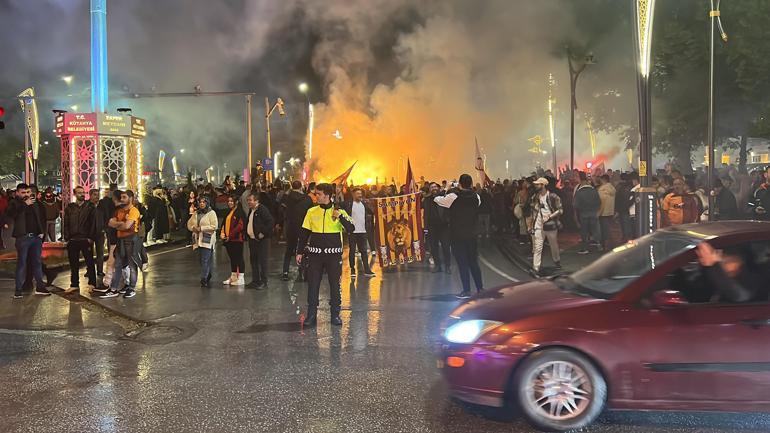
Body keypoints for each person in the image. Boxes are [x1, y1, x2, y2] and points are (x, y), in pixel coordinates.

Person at [296, 183, 355, 327]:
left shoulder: (339, 210)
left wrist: (340, 217)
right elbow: (304, 233)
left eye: (319, 194)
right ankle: (311, 315)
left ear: (327, 196)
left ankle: (335, 314)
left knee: (335, 285)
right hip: (315, 255)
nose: (316, 196)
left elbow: (351, 228)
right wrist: (299, 251)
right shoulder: (311, 211)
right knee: (313, 285)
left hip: (333, 256)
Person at [435, 173, 483, 299]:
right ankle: (480, 288)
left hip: (457, 235)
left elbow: (438, 200)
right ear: (471, 184)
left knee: (462, 263)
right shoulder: (476, 197)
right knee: (473, 262)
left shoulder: (453, 196)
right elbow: (477, 204)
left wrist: (447, 189)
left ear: (460, 184)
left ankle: (466, 290)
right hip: (472, 234)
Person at [6, 184, 48, 298]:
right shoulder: (15, 203)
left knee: (37, 262)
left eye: (28, 192)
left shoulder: (35, 203)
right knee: (22, 263)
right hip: (23, 238)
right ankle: (18, 290)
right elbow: (11, 214)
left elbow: (40, 218)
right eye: (23, 192)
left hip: (36, 238)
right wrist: (24, 204)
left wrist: (42, 232)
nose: (26, 195)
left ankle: (40, 287)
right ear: (18, 193)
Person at [99, 190, 141, 299]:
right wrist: (120, 224)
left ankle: (131, 288)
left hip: (131, 240)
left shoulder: (134, 211)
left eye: (124, 197)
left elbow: (126, 226)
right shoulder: (119, 211)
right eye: (121, 197)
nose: (121, 199)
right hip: (120, 240)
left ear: (130, 198)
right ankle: (114, 289)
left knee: (132, 265)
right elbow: (110, 223)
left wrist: (118, 225)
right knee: (118, 265)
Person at [695, 242, 767, 303]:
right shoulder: (716, 276)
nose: (724, 266)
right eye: (722, 262)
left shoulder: (753, 279)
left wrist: (713, 264)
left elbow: (739, 295)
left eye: (730, 261)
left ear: (741, 262)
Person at [62, 186, 97, 293]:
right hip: (73, 239)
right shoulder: (70, 208)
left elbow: (93, 223)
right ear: (74, 194)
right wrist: (67, 237)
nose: (82, 194)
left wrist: (90, 238)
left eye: (83, 192)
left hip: (85, 238)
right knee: (73, 263)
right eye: (79, 192)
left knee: (90, 262)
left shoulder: (90, 207)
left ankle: (92, 283)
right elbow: (66, 223)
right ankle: (74, 284)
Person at [528, 178, 562, 276]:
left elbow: (560, 210)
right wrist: (531, 225)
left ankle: (557, 261)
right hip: (539, 225)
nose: (536, 186)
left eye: (538, 184)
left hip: (550, 225)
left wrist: (550, 216)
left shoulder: (552, 196)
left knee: (553, 245)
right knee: (538, 247)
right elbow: (533, 211)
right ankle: (536, 268)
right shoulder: (535, 197)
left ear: (543, 185)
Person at [280, 181, 312, 281]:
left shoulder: (286, 198)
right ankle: (303, 271)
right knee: (303, 248)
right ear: (301, 187)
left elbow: (281, 209)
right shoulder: (307, 199)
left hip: (291, 227)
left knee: (289, 250)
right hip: (304, 227)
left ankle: (285, 272)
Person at [342, 188, 376, 278]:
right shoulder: (348, 204)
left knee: (364, 251)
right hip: (352, 232)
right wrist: (346, 225)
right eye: (357, 194)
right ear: (353, 194)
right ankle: (352, 269)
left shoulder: (364, 204)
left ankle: (367, 270)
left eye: (360, 193)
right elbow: (338, 209)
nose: (360, 195)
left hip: (362, 231)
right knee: (352, 251)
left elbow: (372, 211)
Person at [188, 195, 218, 288]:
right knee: (201, 260)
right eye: (200, 202)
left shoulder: (211, 213)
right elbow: (189, 224)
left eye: (203, 202)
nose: (201, 204)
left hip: (207, 239)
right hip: (198, 239)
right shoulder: (196, 213)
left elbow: (214, 226)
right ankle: (207, 273)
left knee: (205, 260)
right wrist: (194, 228)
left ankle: (203, 278)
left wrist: (202, 228)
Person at [245, 192, 274, 288]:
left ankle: (263, 281)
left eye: (250, 200)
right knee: (253, 260)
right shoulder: (252, 210)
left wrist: (263, 233)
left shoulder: (262, 209)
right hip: (253, 240)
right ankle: (255, 280)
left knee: (262, 261)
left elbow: (270, 222)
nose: (248, 202)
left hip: (262, 240)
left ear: (256, 201)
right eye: (248, 200)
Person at [423, 182, 451, 274]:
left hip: (444, 227)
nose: (434, 188)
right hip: (432, 227)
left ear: (438, 188)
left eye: (435, 186)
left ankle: (447, 266)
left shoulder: (444, 197)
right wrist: (425, 227)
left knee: (446, 247)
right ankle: (438, 266)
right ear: (430, 189)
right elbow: (425, 214)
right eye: (432, 187)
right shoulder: (427, 200)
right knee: (434, 248)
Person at [220, 194, 246, 286]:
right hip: (228, 240)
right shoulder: (228, 212)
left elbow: (240, 226)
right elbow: (223, 224)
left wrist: (230, 235)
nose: (229, 203)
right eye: (228, 201)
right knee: (232, 258)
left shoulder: (240, 212)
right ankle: (233, 276)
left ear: (236, 202)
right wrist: (222, 234)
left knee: (239, 258)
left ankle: (241, 278)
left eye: (231, 201)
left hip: (237, 239)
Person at [573, 172, 602, 254]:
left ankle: (585, 248)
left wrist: (576, 215)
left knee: (584, 231)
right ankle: (598, 244)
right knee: (595, 229)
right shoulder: (594, 191)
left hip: (583, 214)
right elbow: (599, 202)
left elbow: (575, 205)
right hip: (593, 213)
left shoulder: (579, 192)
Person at [597, 175, 616, 250]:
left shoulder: (602, 190)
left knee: (603, 230)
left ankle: (605, 245)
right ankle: (610, 244)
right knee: (609, 228)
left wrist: (599, 212)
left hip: (603, 213)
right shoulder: (612, 188)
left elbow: (601, 202)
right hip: (610, 212)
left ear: (603, 180)